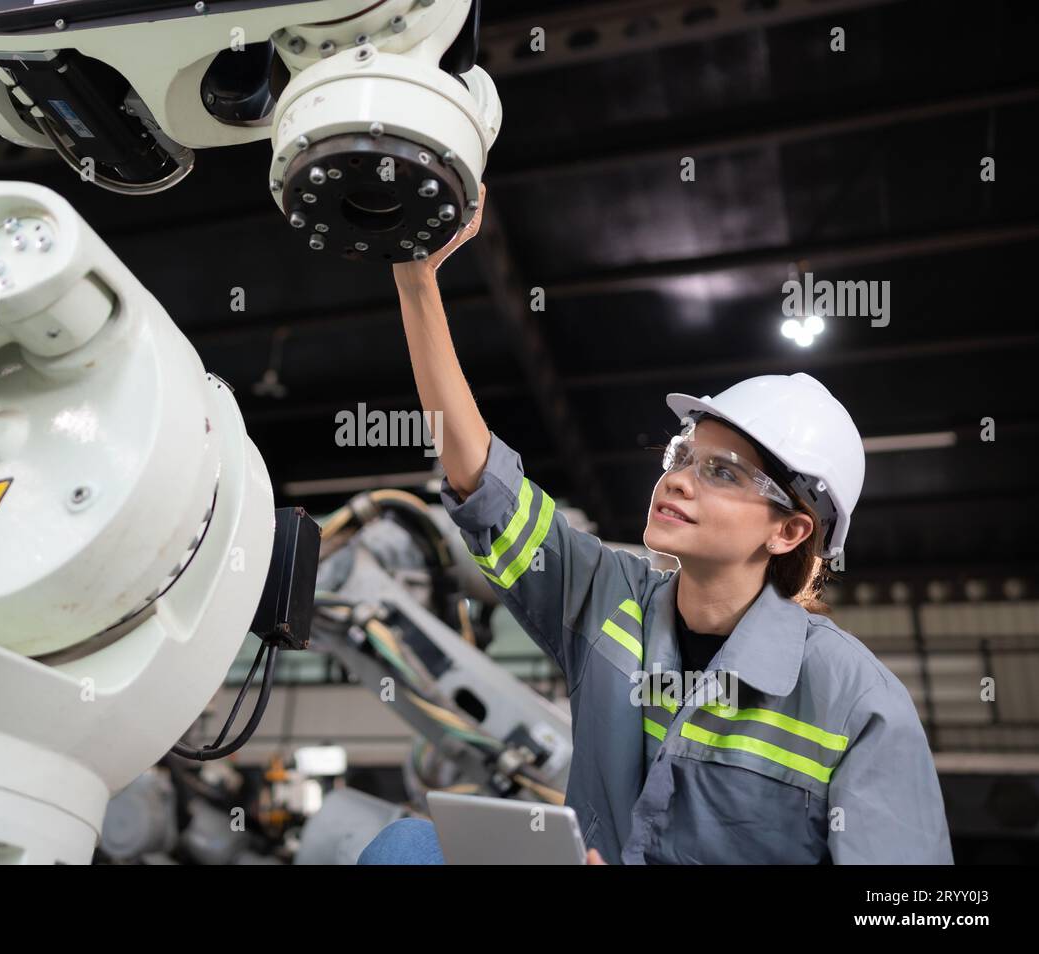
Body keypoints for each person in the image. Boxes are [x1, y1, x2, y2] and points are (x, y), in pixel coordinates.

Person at [358, 184, 953, 865]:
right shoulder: (608, 601)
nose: (676, 479)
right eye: (682, 457)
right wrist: (416, 281)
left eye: (723, 473)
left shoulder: (856, 702)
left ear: (789, 532)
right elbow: (485, 486)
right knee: (405, 848)